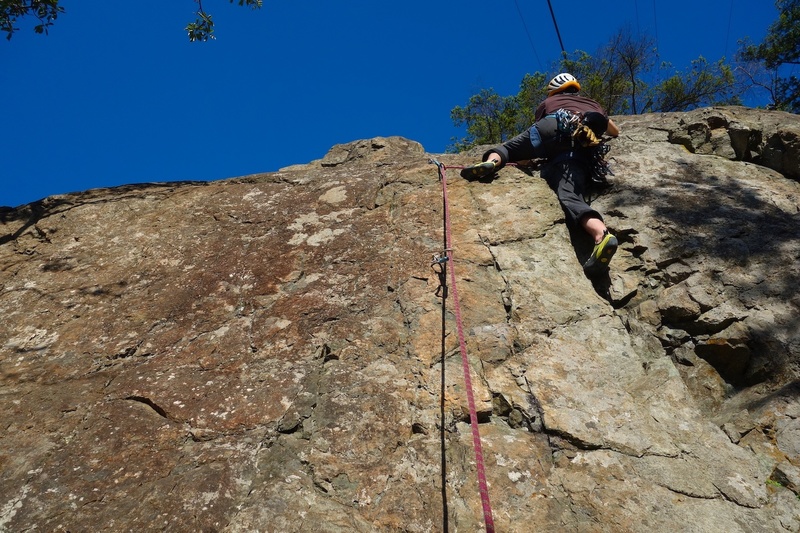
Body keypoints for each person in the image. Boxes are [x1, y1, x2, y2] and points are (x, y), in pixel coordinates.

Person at [460, 73, 620, 275]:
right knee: (569, 195)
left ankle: (491, 162)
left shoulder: (549, 102)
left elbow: (539, 136)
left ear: (554, 90)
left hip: (552, 126)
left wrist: (525, 160)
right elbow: (614, 131)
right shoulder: (592, 103)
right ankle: (602, 235)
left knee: (508, 149)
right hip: (580, 147)